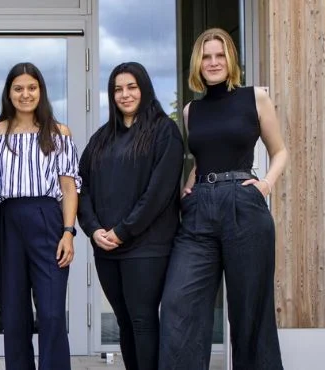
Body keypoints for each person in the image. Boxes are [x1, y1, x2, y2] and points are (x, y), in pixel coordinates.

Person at [158, 28, 289, 369]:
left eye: (219, 55)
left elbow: (280, 151)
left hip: (243, 204)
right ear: (197, 63)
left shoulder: (255, 98)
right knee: (178, 303)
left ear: (230, 60)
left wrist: (265, 185)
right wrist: (189, 187)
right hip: (200, 208)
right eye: (206, 56)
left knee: (250, 313)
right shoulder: (191, 111)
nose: (213, 62)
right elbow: (203, 159)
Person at [78, 62, 183, 370]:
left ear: (144, 89)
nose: (125, 95)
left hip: (147, 247)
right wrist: (93, 229)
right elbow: (81, 187)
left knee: (142, 320)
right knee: (124, 320)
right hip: (106, 247)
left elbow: (159, 193)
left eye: (131, 87)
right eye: (118, 89)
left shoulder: (164, 131)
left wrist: (123, 230)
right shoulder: (101, 138)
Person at [0, 62, 80, 370]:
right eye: (18, 88)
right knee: (14, 314)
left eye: (32, 88)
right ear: (8, 93)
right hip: (5, 221)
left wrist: (68, 232)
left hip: (47, 219)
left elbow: (69, 187)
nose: (25, 94)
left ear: (41, 91)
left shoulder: (59, 133)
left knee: (51, 313)